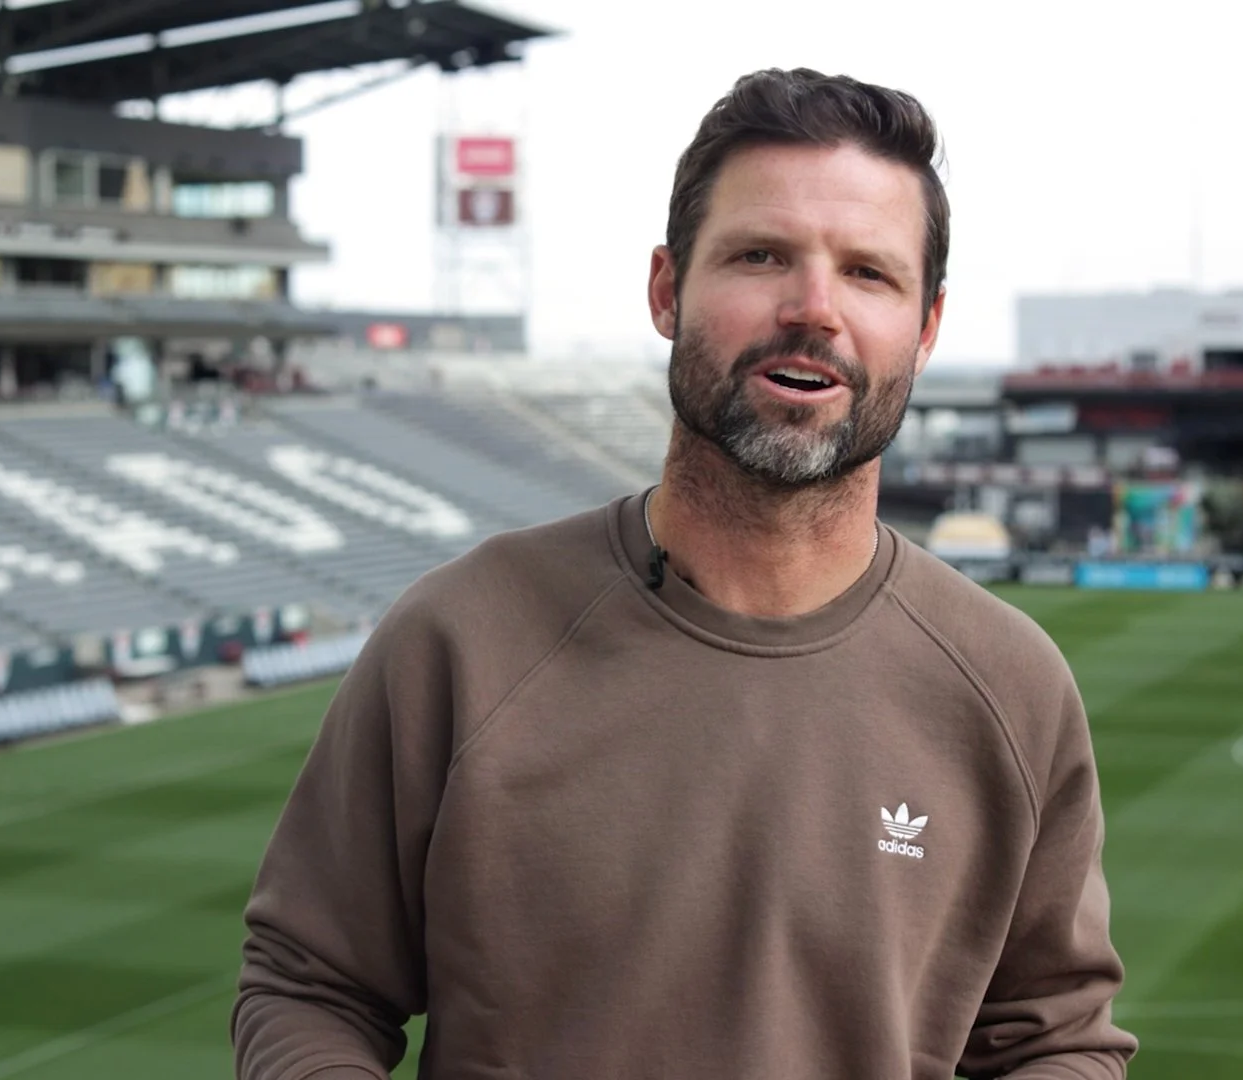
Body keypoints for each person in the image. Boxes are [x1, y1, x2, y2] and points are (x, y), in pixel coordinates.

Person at [235, 68, 1136, 1079]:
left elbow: (1053, 1041)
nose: (813, 310)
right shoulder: (459, 639)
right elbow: (309, 985)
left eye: (869, 274)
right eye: (761, 256)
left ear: (925, 329)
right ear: (668, 288)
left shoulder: (1010, 687)